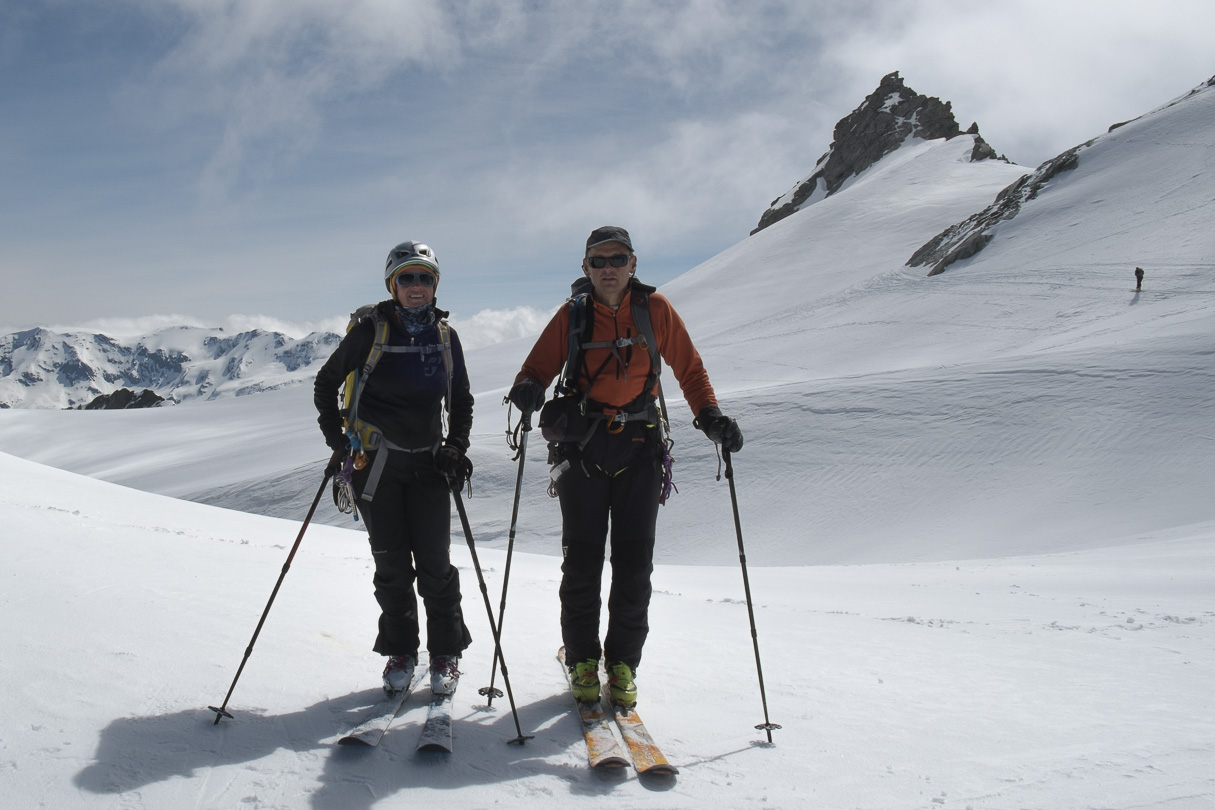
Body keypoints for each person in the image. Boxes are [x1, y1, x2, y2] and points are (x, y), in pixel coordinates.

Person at [508, 226, 743, 708]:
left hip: (640, 451)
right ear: (586, 269)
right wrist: (528, 388)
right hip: (583, 454)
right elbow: (535, 369)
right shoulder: (572, 316)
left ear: (633, 264)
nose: (608, 268)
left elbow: (689, 369)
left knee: (634, 568)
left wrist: (711, 417)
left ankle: (621, 664)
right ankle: (581, 660)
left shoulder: (655, 311)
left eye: (617, 259)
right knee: (583, 566)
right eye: (599, 260)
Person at [313, 241, 474, 696]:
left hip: (429, 465)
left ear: (435, 284)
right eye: (407, 277)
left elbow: (460, 399)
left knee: (436, 567)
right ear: (392, 285)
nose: (416, 286)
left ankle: (446, 653)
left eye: (424, 277)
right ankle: (401, 652)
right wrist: (338, 440)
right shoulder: (370, 332)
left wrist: (456, 446)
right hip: (375, 465)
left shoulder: (446, 338)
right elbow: (326, 385)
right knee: (392, 567)